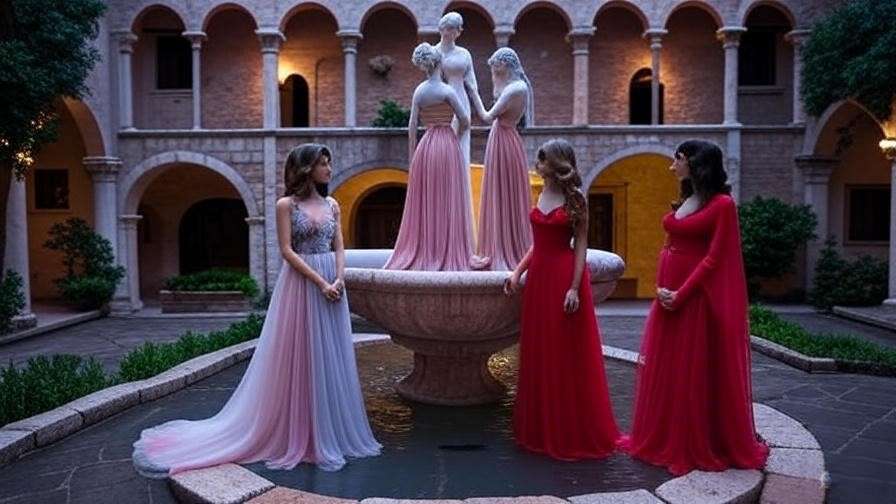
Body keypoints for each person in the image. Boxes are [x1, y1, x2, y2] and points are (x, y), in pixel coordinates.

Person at [132, 144, 381, 476]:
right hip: (302, 285)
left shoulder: (333, 204)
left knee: (329, 357)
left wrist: (339, 278)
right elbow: (287, 251)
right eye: (323, 163)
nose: (329, 169)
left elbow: (339, 245)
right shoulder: (286, 205)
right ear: (306, 169)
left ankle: (328, 430)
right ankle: (297, 433)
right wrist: (321, 283)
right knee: (299, 356)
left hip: (333, 287)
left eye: (329, 162)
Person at [621, 139, 769, 475]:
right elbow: (674, 244)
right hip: (667, 298)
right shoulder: (689, 199)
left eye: (678, 159)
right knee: (670, 370)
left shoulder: (722, 205)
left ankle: (693, 442)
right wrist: (662, 289)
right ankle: (662, 436)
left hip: (694, 301)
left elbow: (715, 258)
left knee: (693, 374)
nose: (672, 165)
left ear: (696, 163)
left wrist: (681, 293)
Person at [505, 138, 620, 460]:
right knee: (539, 351)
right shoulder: (541, 192)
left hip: (563, 277)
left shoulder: (576, 199)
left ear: (555, 163)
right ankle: (540, 429)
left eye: (541, 160)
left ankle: (569, 429)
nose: (537, 165)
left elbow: (581, 244)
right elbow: (537, 243)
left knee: (564, 353)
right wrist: (517, 273)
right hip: (539, 279)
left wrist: (573, 287)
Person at [384, 43, 476, 271]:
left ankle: (427, 248)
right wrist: (455, 134)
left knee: (428, 197)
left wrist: (412, 155)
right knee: (448, 196)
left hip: (425, 147)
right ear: (439, 64)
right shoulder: (447, 91)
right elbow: (465, 120)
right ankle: (448, 249)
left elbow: (412, 126)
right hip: (446, 143)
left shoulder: (420, 91)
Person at [473, 47, 534, 271]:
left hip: (502, 139)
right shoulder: (520, 86)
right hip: (509, 139)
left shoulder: (513, 90)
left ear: (504, 67)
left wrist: (472, 93)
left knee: (501, 191)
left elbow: (488, 116)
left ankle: (502, 248)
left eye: (496, 70)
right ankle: (504, 243)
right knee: (505, 191)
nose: (494, 75)